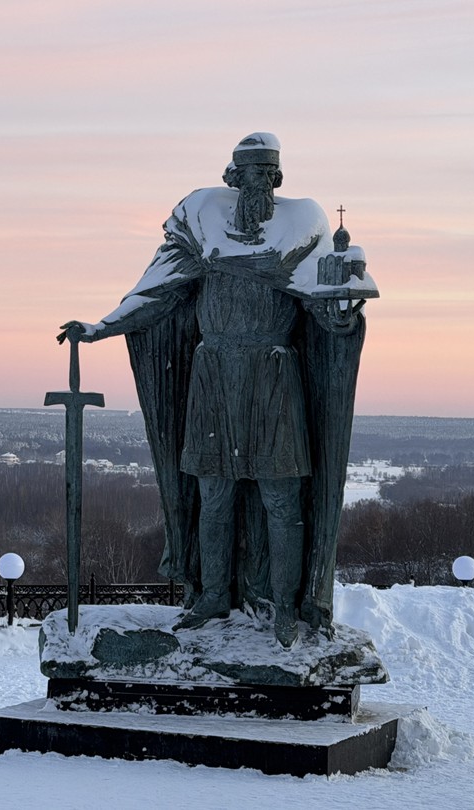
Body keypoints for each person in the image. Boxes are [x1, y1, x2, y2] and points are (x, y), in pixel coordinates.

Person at [60, 133, 374, 647]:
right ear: (233, 178)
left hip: (274, 375)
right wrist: (102, 327)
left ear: (275, 179)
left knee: (280, 496)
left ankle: (283, 605)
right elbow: (156, 292)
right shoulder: (200, 221)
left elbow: (326, 304)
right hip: (213, 375)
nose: (255, 186)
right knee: (214, 493)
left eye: (264, 176)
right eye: (246, 175)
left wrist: (341, 319)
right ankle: (210, 597)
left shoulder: (303, 225)